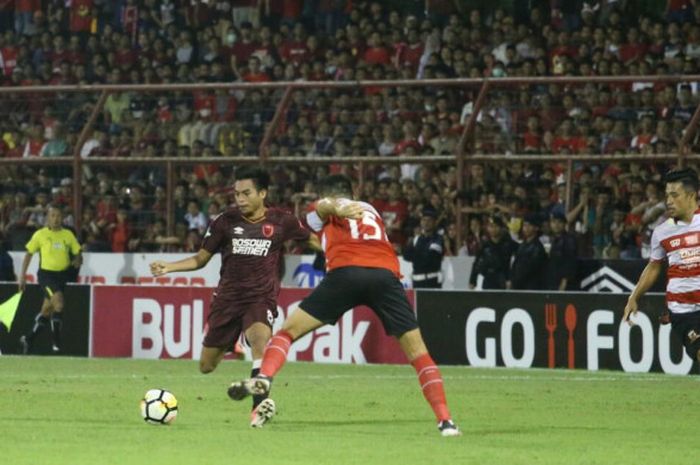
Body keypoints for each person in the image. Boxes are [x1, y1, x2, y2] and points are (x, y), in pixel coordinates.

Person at [227, 174, 460, 437]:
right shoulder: (371, 211)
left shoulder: (323, 207)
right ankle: (446, 421)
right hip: (385, 277)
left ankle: (264, 378)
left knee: (287, 331)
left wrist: (332, 206)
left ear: (324, 194)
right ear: (354, 192)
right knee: (419, 354)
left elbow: (325, 207)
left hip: (346, 274)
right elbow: (331, 220)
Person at [149, 167, 317, 428]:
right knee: (206, 366)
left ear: (262, 193)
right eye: (237, 194)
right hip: (227, 300)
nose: (240, 199)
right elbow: (200, 259)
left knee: (261, 342)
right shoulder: (224, 221)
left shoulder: (282, 220)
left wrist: (345, 253)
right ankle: (230, 344)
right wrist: (169, 267)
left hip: (260, 298)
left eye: (246, 193)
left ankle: (258, 410)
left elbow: (316, 242)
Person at [624, 168, 700, 363]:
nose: (668, 201)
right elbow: (654, 266)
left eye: (675, 195)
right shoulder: (662, 231)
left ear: (692, 195)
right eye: (667, 196)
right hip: (684, 311)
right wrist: (634, 296)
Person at [18, 205, 82, 354]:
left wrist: (78, 259)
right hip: (46, 276)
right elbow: (28, 254)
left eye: (58, 215)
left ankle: (28, 338)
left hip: (62, 276)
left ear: (62, 217)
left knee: (47, 311)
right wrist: (22, 276)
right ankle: (56, 343)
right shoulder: (40, 234)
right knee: (59, 303)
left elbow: (77, 251)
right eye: (52, 215)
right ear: (48, 217)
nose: (55, 218)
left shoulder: (68, 235)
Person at [469, 214, 517, 290]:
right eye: (491, 226)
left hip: (503, 279)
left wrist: (510, 279)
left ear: (501, 228)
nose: (493, 229)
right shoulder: (485, 245)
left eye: (496, 226)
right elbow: (477, 263)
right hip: (488, 279)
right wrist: (472, 281)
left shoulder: (508, 244)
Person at [403, 209, 444, 288]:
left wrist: (414, 254)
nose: (426, 223)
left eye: (429, 220)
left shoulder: (437, 239)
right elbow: (406, 255)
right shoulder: (417, 238)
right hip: (416, 281)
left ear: (434, 222)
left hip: (431, 281)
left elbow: (428, 259)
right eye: (424, 220)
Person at [509, 214, 548, 290]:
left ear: (536, 228)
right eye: (524, 225)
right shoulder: (523, 245)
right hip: (519, 285)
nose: (525, 228)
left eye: (529, 225)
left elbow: (531, 268)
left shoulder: (537, 247)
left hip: (531, 286)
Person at [545, 212, 578, 290]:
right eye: (553, 222)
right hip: (551, 279)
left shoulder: (569, 240)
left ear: (564, 224)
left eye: (559, 222)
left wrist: (564, 282)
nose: (556, 225)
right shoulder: (551, 239)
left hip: (563, 282)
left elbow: (570, 262)